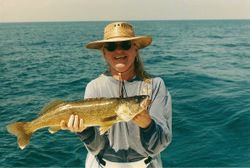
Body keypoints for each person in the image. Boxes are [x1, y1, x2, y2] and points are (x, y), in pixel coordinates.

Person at [60, 22, 172, 168]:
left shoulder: (155, 85)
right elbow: (97, 148)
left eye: (125, 45)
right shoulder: (94, 87)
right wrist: (84, 131)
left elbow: (158, 146)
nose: (119, 51)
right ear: (104, 52)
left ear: (135, 49)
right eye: (112, 47)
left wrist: (148, 125)